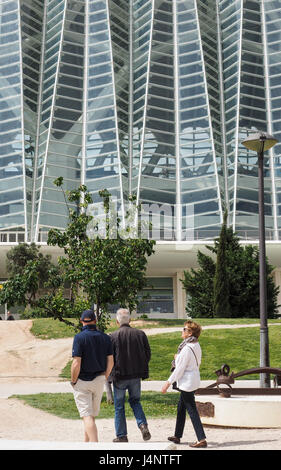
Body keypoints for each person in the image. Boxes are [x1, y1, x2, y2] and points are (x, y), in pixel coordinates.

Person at [161, 320, 207, 448]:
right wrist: (178, 357)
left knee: (191, 410)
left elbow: (179, 369)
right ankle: (177, 435)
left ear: (190, 333)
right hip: (192, 380)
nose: (182, 331)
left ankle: (201, 438)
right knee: (181, 408)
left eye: (184, 329)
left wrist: (167, 383)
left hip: (187, 382)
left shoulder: (187, 348)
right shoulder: (195, 344)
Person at [71, 309, 114, 442]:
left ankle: (95, 445)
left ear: (81, 321)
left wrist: (73, 381)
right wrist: (105, 376)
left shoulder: (79, 337)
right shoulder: (106, 337)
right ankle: (86, 443)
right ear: (95, 321)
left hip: (83, 380)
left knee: (87, 416)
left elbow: (76, 363)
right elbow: (111, 361)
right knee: (91, 416)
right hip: (100, 379)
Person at [110, 308, 151, 443]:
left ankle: (122, 435)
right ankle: (143, 425)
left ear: (117, 321)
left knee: (119, 405)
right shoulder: (140, 334)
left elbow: (110, 358)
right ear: (130, 320)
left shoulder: (113, 336)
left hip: (120, 375)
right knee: (135, 401)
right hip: (135, 375)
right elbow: (147, 354)